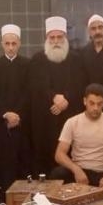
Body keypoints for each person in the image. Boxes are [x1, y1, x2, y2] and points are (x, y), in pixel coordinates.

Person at [29, 16, 87, 175]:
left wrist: (66, 98)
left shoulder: (76, 59)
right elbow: (36, 85)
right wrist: (53, 97)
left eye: (59, 37)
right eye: (52, 37)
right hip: (45, 120)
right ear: (47, 38)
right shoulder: (37, 59)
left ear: (65, 37)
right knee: (44, 161)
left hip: (69, 116)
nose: (56, 41)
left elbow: (80, 84)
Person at [49, 83, 103, 188]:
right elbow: (59, 155)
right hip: (79, 171)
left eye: (99, 104)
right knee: (57, 173)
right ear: (84, 101)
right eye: (92, 103)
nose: (95, 108)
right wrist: (76, 169)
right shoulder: (72, 122)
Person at [0, 24, 31, 192]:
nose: (11, 47)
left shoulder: (27, 64)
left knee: (23, 161)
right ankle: (4, 200)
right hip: (1, 123)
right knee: (2, 163)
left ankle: (22, 199)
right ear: (2, 44)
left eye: (14, 43)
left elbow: (28, 92)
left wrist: (17, 115)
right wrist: (6, 114)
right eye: (7, 43)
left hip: (22, 123)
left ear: (19, 43)